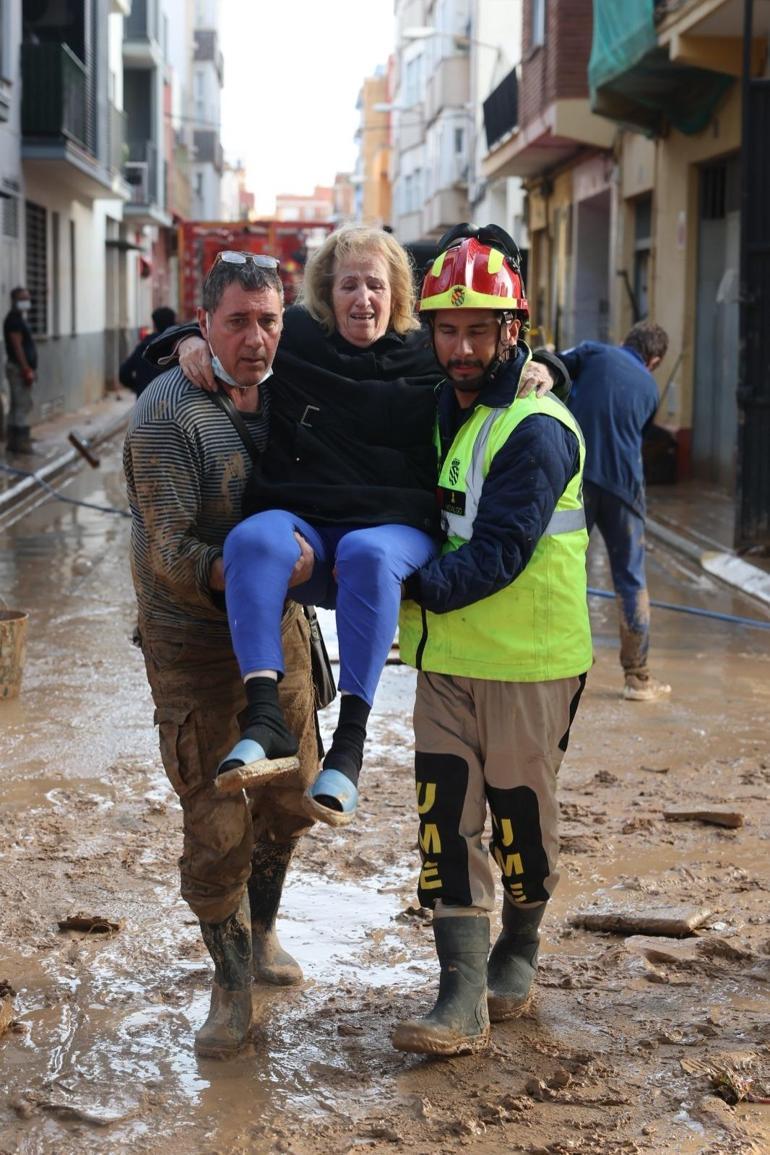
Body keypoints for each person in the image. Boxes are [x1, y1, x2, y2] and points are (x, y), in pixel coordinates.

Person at [146, 226, 558, 829]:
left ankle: (349, 746)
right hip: (307, 517)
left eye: (375, 284)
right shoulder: (298, 338)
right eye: (348, 285)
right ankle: (264, 717)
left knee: (367, 553)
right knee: (252, 539)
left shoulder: (431, 349)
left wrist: (543, 366)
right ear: (325, 293)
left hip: (394, 526)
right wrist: (190, 339)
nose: (362, 298)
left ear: (397, 292)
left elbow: (501, 360)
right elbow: (240, 327)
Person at [391, 225, 592, 1058]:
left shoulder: (537, 428)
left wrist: (399, 586)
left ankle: (521, 942)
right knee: (445, 822)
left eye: (480, 329)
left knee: (520, 820)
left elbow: (502, 550)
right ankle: (460, 991)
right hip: (444, 664)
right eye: (447, 329)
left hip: (528, 662)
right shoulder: (437, 400)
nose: (462, 346)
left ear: (515, 330)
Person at [123, 254, 317, 1060]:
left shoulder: (297, 381)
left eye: (268, 320)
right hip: (194, 639)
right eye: (236, 320)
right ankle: (230, 982)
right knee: (217, 822)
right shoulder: (167, 413)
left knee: (295, 793)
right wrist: (266, 567)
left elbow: (407, 367)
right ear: (203, 324)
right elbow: (171, 551)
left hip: (281, 626)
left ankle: (263, 929)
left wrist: (541, 369)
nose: (256, 337)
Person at [560, 323, 671, 702]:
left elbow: (554, 369)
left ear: (625, 340)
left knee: (566, 566)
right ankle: (637, 679)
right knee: (631, 578)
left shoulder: (593, 351)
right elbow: (638, 429)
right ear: (653, 361)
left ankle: (564, 661)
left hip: (578, 480)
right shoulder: (650, 388)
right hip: (625, 487)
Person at [3, 287, 37, 454]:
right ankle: (21, 442)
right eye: (23, 298)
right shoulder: (14, 320)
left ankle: (14, 442)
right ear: (15, 301)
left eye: (27, 298)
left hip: (18, 367)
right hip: (18, 368)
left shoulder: (18, 319)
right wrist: (26, 369)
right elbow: (17, 347)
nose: (27, 301)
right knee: (22, 405)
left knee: (18, 405)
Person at [119, 306, 178, 396]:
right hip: (172, 401)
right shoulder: (178, 347)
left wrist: (137, 386)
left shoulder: (144, 347)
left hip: (145, 401)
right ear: (173, 323)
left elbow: (124, 373)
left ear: (154, 324)